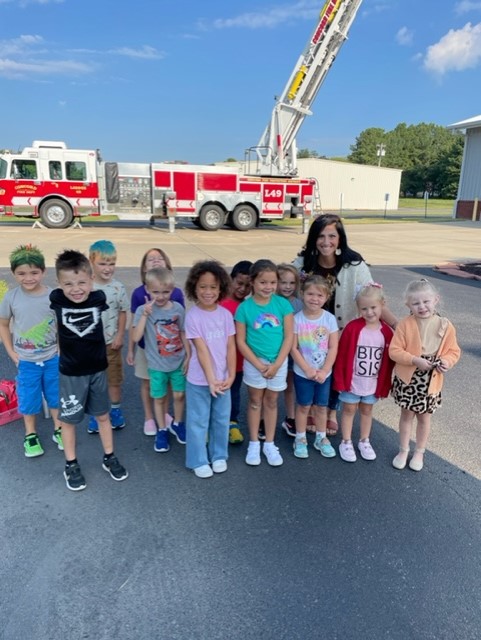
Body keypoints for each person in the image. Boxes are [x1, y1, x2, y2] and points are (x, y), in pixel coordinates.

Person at [292, 213, 397, 437]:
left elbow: (372, 297)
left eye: (332, 235)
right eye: (321, 236)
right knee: (312, 370)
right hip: (309, 333)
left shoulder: (354, 265)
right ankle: (309, 408)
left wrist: (398, 325)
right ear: (313, 239)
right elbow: (282, 286)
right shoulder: (303, 263)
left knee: (336, 372)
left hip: (342, 332)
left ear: (340, 239)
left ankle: (330, 412)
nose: (326, 241)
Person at [50, 249, 128, 491]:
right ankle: (71, 464)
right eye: (69, 283)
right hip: (71, 373)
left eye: (82, 282)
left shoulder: (98, 299)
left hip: (97, 370)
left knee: (103, 415)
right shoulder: (57, 299)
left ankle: (109, 456)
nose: (76, 288)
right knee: (69, 421)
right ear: (59, 284)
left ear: (91, 279)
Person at [389, 279, 460, 472]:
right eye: (416, 303)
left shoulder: (446, 326)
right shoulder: (404, 324)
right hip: (409, 379)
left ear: (436, 300)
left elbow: (453, 351)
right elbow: (394, 351)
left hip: (431, 380)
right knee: (406, 415)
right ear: (408, 305)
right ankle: (403, 450)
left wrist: (446, 361)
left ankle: (419, 451)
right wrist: (414, 360)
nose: (422, 307)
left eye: (426, 301)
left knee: (424, 418)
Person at [0, 244, 63, 457]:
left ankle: (59, 429)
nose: (29, 278)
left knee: (55, 396)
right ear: (14, 274)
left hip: (52, 357)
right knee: (28, 398)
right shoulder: (11, 298)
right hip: (25, 360)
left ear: (43, 272)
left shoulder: (54, 296)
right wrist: (11, 352)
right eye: (22, 273)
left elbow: (61, 325)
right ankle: (30, 434)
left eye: (34, 272)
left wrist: (61, 350)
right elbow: (3, 324)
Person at [235, 259, 293, 467]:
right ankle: (253, 443)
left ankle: (269, 443)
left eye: (272, 282)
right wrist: (258, 365)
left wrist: (277, 364)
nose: (268, 287)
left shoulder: (283, 305)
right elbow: (240, 341)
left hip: (278, 361)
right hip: (254, 362)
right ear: (252, 282)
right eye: (263, 282)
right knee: (254, 401)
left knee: (271, 401)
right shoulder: (244, 308)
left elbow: (289, 337)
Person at [184, 260, 236, 479]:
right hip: (199, 380)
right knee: (198, 421)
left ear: (221, 288)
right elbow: (202, 351)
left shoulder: (225, 315)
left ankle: (219, 455)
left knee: (221, 419)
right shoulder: (193, 316)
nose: (208, 292)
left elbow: (231, 346)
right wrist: (211, 379)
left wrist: (231, 375)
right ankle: (198, 460)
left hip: (223, 380)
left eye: (213, 287)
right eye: (203, 287)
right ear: (194, 288)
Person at [333, 283, 395, 463]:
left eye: (373, 307)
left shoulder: (386, 332)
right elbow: (342, 357)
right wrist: (341, 381)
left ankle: (364, 440)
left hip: (372, 382)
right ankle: (346, 441)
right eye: (364, 308)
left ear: (382, 304)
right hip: (352, 381)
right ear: (358, 309)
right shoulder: (352, 328)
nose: (369, 312)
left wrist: (384, 385)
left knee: (367, 410)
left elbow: (388, 362)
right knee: (349, 409)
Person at [127, 248, 185, 436]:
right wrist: (130, 349)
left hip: (173, 353)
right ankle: (150, 419)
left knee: (172, 387)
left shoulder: (176, 296)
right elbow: (135, 330)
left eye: (160, 258)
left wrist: (189, 355)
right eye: (150, 259)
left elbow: (182, 328)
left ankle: (170, 418)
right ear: (144, 268)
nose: (160, 296)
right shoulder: (139, 296)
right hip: (148, 349)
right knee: (149, 384)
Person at [290, 275, 338, 459]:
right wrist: (307, 369)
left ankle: (321, 437)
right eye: (310, 294)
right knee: (303, 406)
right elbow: (293, 347)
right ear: (302, 294)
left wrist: (324, 370)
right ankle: (300, 438)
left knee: (321, 407)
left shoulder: (329, 319)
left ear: (326, 297)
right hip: (303, 373)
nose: (314, 299)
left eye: (319, 295)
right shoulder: (297, 320)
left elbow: (333, 347)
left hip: (324, 374)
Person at [87, 240, 129, 433]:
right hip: (90, 345)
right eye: (103, 263)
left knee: (113, 380)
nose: (108, 268)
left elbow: (122, 312)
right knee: (94, 381)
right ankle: (97, 414)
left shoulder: (118, 288)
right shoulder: (85, 286)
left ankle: (115, 409)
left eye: (111, 263)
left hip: (112, 343)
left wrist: (120, 335)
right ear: (91, 261)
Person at [219, 260, 252, 444]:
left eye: (247, 286)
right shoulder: (219, 302)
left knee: (234, 392)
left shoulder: (247, 307)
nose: (242, 289)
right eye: (239, 283)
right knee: (215, 391)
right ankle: (214, 423)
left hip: (239, 361)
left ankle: (232, 422)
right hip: (218, 359)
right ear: (231, 280)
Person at [277, 263, 303, 438]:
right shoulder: (271, 303)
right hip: (275, 351)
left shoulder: (300, 304)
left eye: (291, 283)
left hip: (295, 351)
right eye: (283, 282)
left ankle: (291, 417)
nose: (287, 286)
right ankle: (264, 419)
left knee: (289, 385)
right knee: (269, 389)